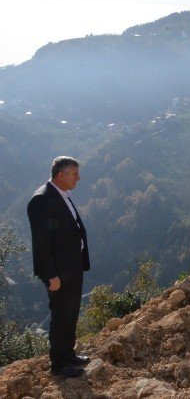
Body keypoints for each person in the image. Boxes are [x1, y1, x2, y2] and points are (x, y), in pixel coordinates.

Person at [27, 157, 91, 378]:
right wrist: (51, 275)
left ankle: (69, 354)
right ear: (60, 175)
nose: (78, 178)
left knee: (72, 311)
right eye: (75, 174)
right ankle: (59, 364)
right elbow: (41, 243)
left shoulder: (61, 194)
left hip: (72, 267)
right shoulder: (42, 200)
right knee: (61, 315)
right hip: (58, 273)